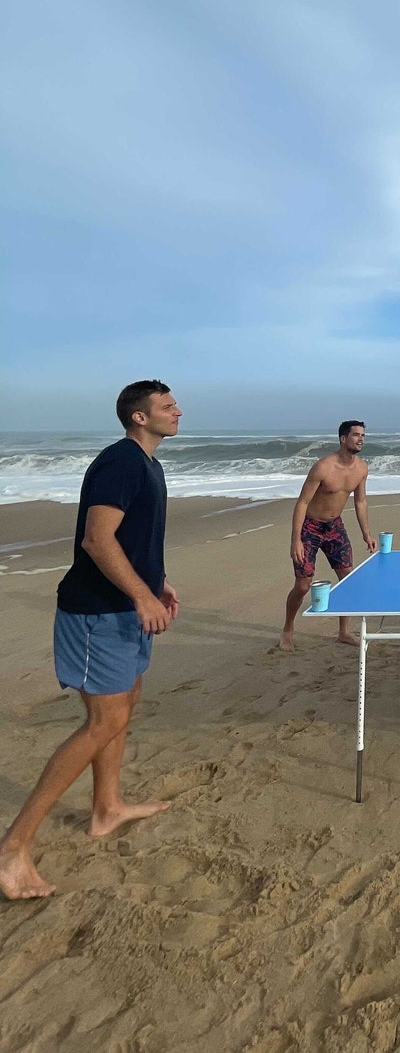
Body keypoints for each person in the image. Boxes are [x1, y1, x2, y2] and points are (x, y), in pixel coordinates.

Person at [0, 381, 182, 900]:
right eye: (166, 406)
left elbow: (132, 538)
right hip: (96, 614)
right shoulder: (122, 461)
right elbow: (97, 540)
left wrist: (155, 583)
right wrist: (141, 597)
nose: (177, 411)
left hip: (126, 607)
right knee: (104, 719)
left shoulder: (149, 464)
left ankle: (107, 808)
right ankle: (13, 849)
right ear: (139, 417)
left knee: (125, 705)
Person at [280, 420, 378, 651]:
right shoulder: (323, 467)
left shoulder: (362, 468)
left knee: (347, 580)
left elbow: (360, 501)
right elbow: (302, 502)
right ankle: (288, 629)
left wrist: (367, 534)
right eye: (355, 435)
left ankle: (343, 632)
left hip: (334, 527)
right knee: (303, 585)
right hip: (310, 528)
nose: (361, 439)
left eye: (363, 435)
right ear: (343, 438)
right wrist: (295, 539)